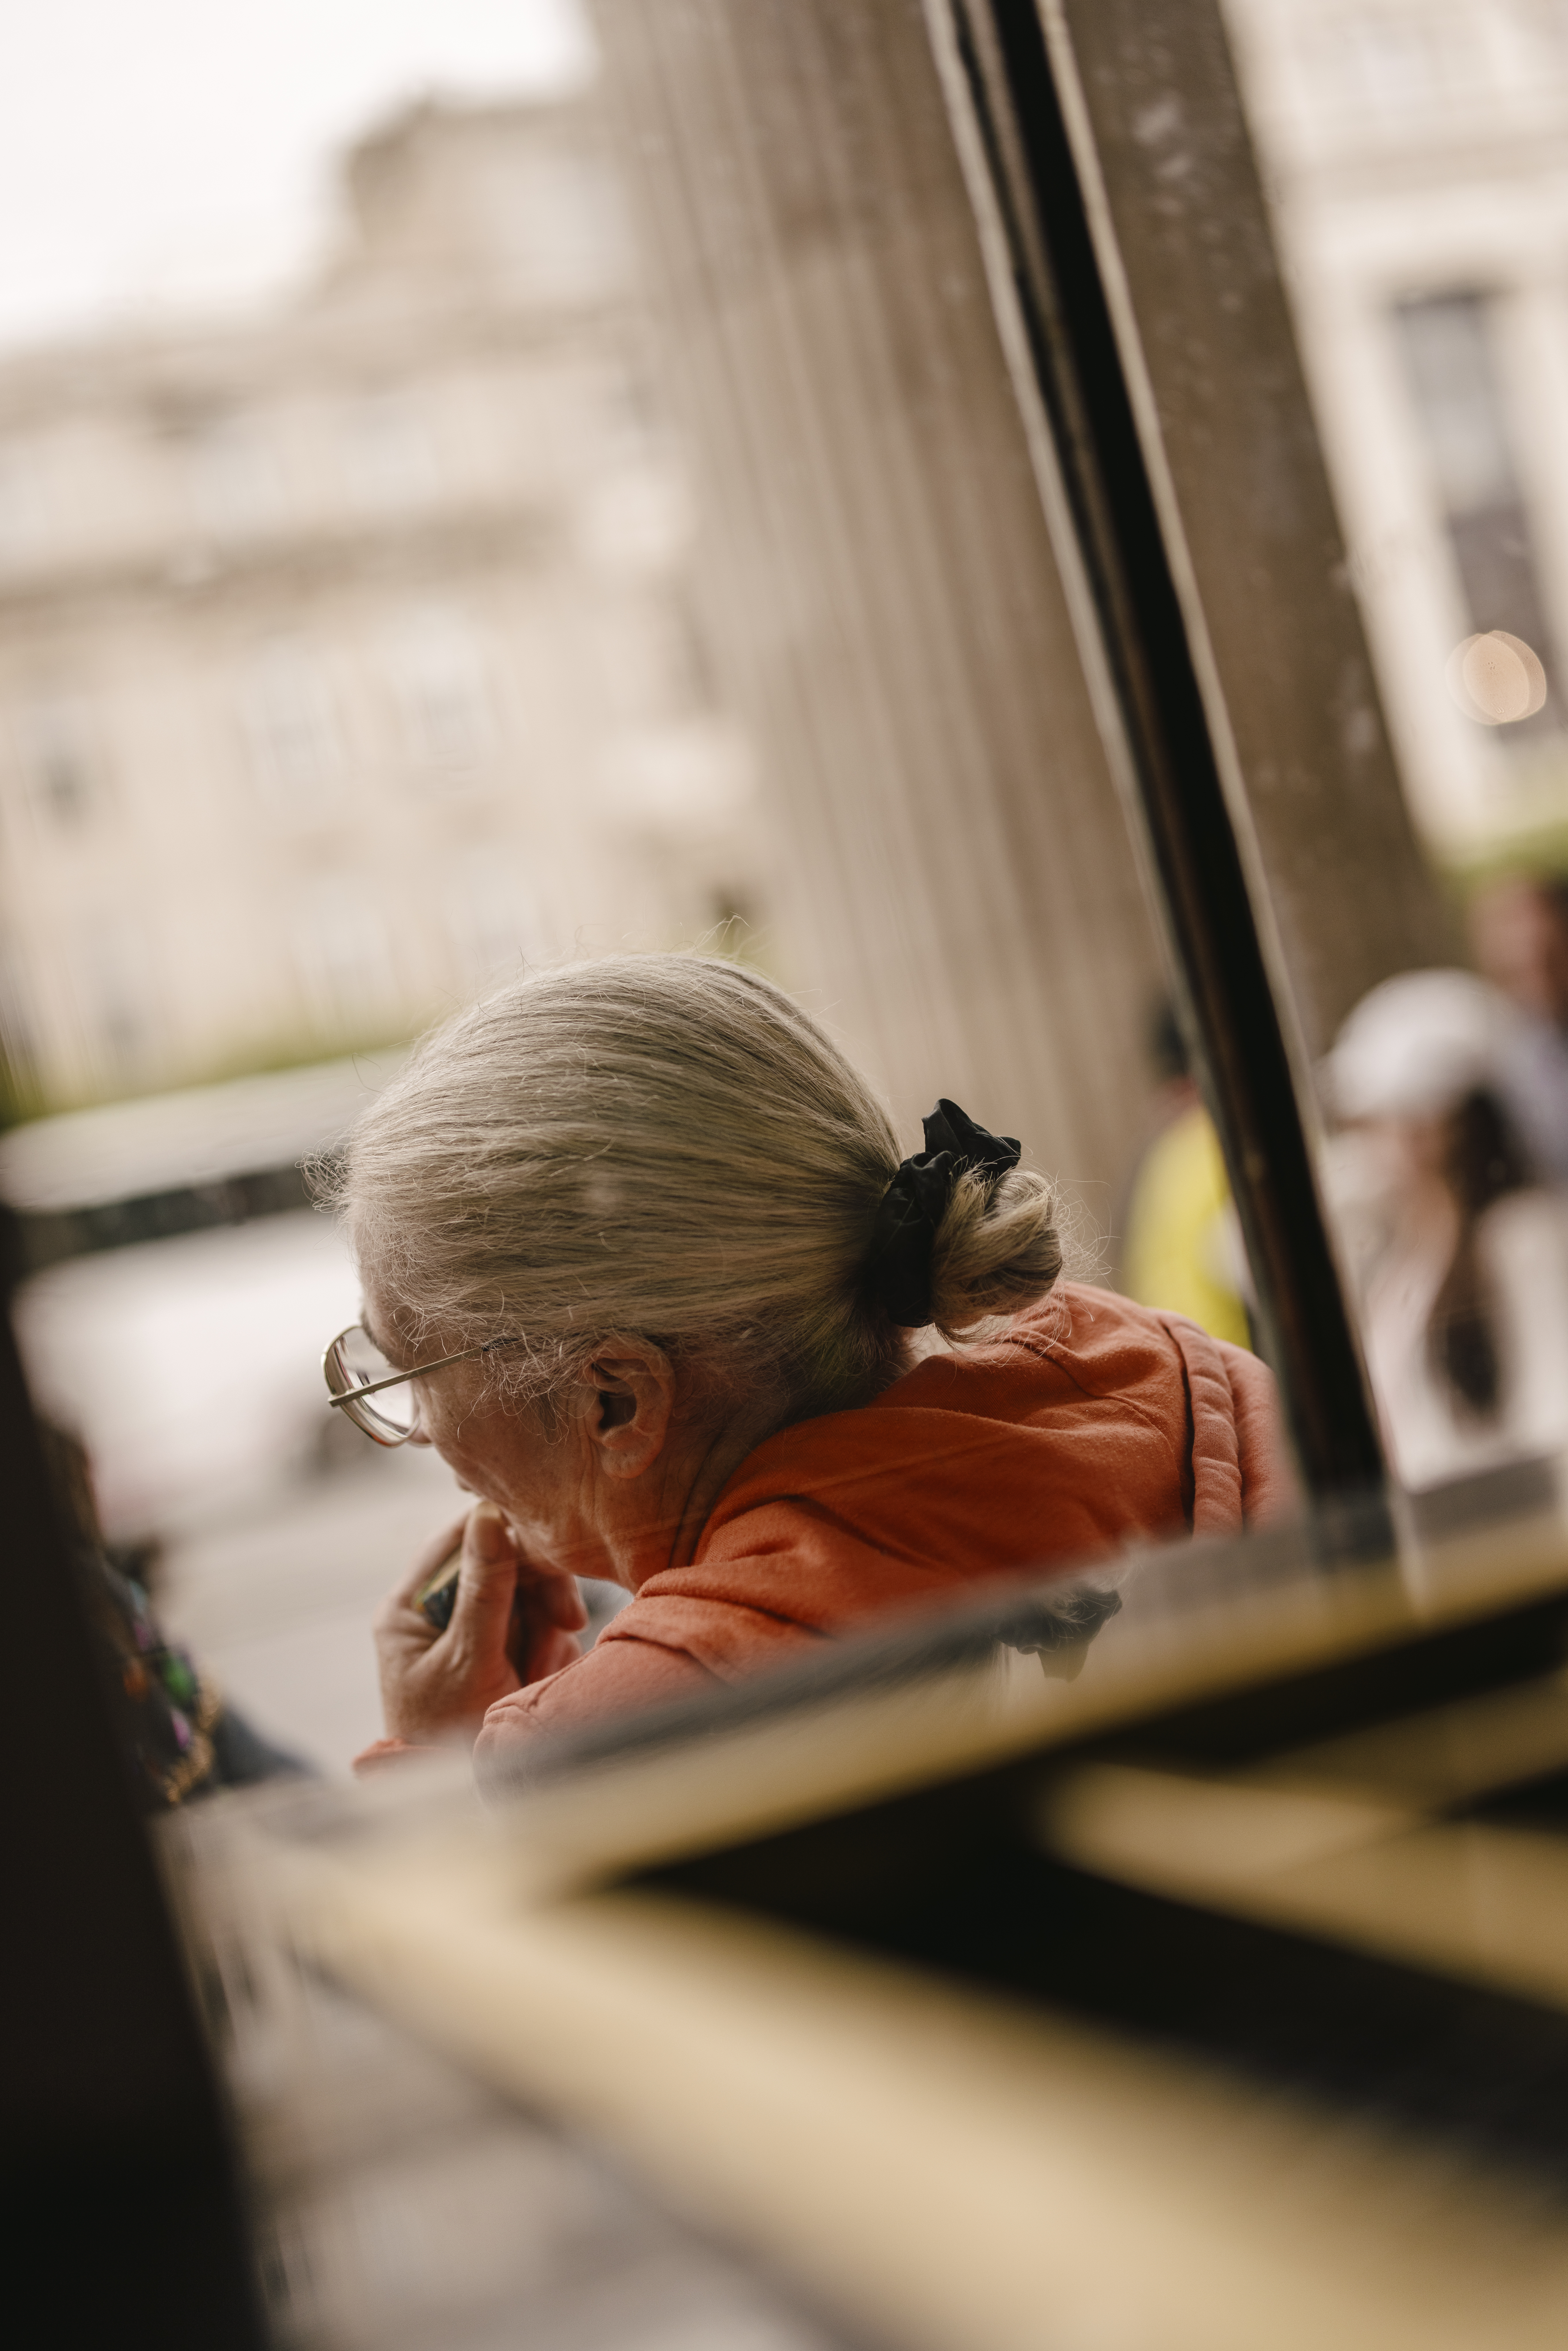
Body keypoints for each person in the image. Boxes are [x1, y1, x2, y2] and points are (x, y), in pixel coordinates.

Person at [318, 955, 1293, 1777]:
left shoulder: (621, 1743)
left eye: (413, 1372)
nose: (426, 1435)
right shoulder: (1160, 1370)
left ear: (615, 1402)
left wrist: (445, 1763)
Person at [1326, 968, 1568, 1491]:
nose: (1366, 1140)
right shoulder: (1409, 1248)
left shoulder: (1526, 1240)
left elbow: (1554, 1421)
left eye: (1377, 1117)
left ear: (1436, 1127)